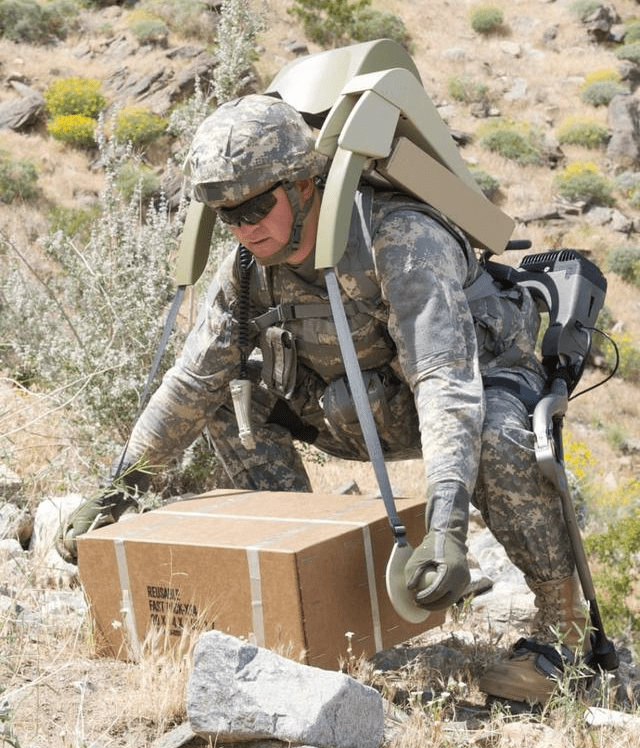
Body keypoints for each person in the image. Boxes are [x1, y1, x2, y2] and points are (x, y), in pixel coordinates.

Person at [57, 94, 590, 704]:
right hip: (353, 406)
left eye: (257, 205)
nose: (245, 226)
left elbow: (446, 382)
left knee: (499, 431)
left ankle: (560, 634)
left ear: (306, 185)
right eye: (227, 215)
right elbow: (191, 382)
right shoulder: (246, 266)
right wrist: (122, 486)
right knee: (231, 402)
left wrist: (446, 529)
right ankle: (303, 574)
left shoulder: (399, 238)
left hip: (464, 394)